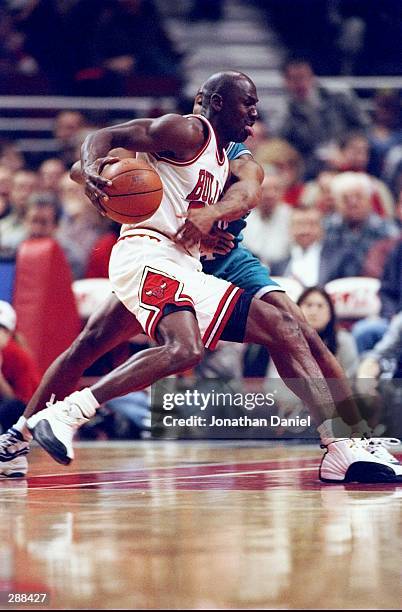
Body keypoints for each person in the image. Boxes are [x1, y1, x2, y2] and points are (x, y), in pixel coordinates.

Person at [1, 72, 400, 484]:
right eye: (248, 103)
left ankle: (346, 440)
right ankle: (47, 422)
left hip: (202, 258)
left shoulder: (237, 156)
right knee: (169, 348)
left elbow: (248, 193)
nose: (256, 113)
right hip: (152, 252)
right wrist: (92, 172)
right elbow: (101, 143)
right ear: (216, 103)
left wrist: (212, 217)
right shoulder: (189, 131)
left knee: (289, 328)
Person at [278, 56, 369, 178]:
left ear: (312, 76)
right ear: (286, 81)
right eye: (293, 79)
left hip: (348, 154)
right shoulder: (285, 114)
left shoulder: (339, 96)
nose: (299, 84)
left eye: (303, 77)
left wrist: (346, 149)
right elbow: (285, 149)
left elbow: (363, 127)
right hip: (311, 169)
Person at [0, 301, 40, 477]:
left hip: (25, 415)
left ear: (8, 332)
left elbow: (23, 402)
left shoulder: (17, 355)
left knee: (10, 407)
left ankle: (12, 447)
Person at [297, 287, 359, 378]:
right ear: (296, 309)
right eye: (309, 305)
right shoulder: (285, 340)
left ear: (330, 313)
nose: (314, 312)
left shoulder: (343, 341)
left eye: (320, 306)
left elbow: (351, 380)